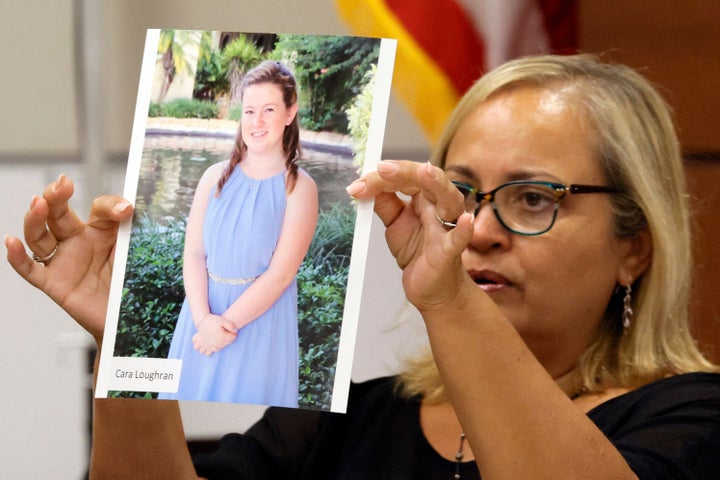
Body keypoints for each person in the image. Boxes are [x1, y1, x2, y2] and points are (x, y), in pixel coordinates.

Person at [6, 54, 720, 479]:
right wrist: (133, 340)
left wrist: (449, 302)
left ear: (636, 245)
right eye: (461, 194)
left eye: (533, 199)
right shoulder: (353, 420)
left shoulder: (693, 419)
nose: (478, 232)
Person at [157, 60, 319, 406]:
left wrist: (224, 327)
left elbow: (280, 275)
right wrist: (204, 323)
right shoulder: (213, 177)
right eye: (249, 111)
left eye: (269, 110)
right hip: (201, 319)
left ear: (290, 113)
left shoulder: (300, 188)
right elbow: (194, 255)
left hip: (257, 325)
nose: (256, 122)